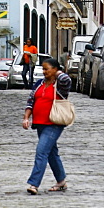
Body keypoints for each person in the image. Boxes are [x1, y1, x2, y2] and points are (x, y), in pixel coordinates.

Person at [22, 58, 72, 195]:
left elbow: (67, 79)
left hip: (54, 123)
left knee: (41, 151)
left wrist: (58, 72)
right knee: (51, 153)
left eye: (47, 69)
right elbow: (31, 101)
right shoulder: (39, 84)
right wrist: (26, 117)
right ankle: (61, 181)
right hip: (39, 123)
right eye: (43, 69)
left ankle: (34, 183)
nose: (44, 72)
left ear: (55, 69)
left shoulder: (61, 84)